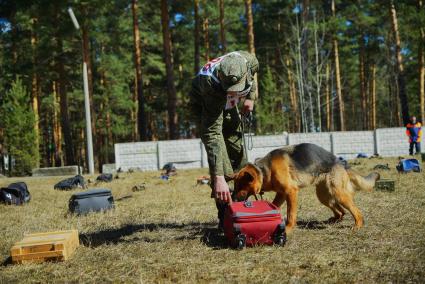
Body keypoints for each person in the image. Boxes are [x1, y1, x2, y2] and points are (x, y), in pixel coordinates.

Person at [188, 51, 259, 229]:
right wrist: (219, 176)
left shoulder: (249, 60)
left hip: (226, 103)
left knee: (237, 149)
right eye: (230, 89)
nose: (233, 92)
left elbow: (254, 75)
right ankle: (225, 215)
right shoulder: (210, 84)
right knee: (222, 164)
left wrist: (250, 97)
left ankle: (242, 203)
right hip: (206, 105)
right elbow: (213, 133)